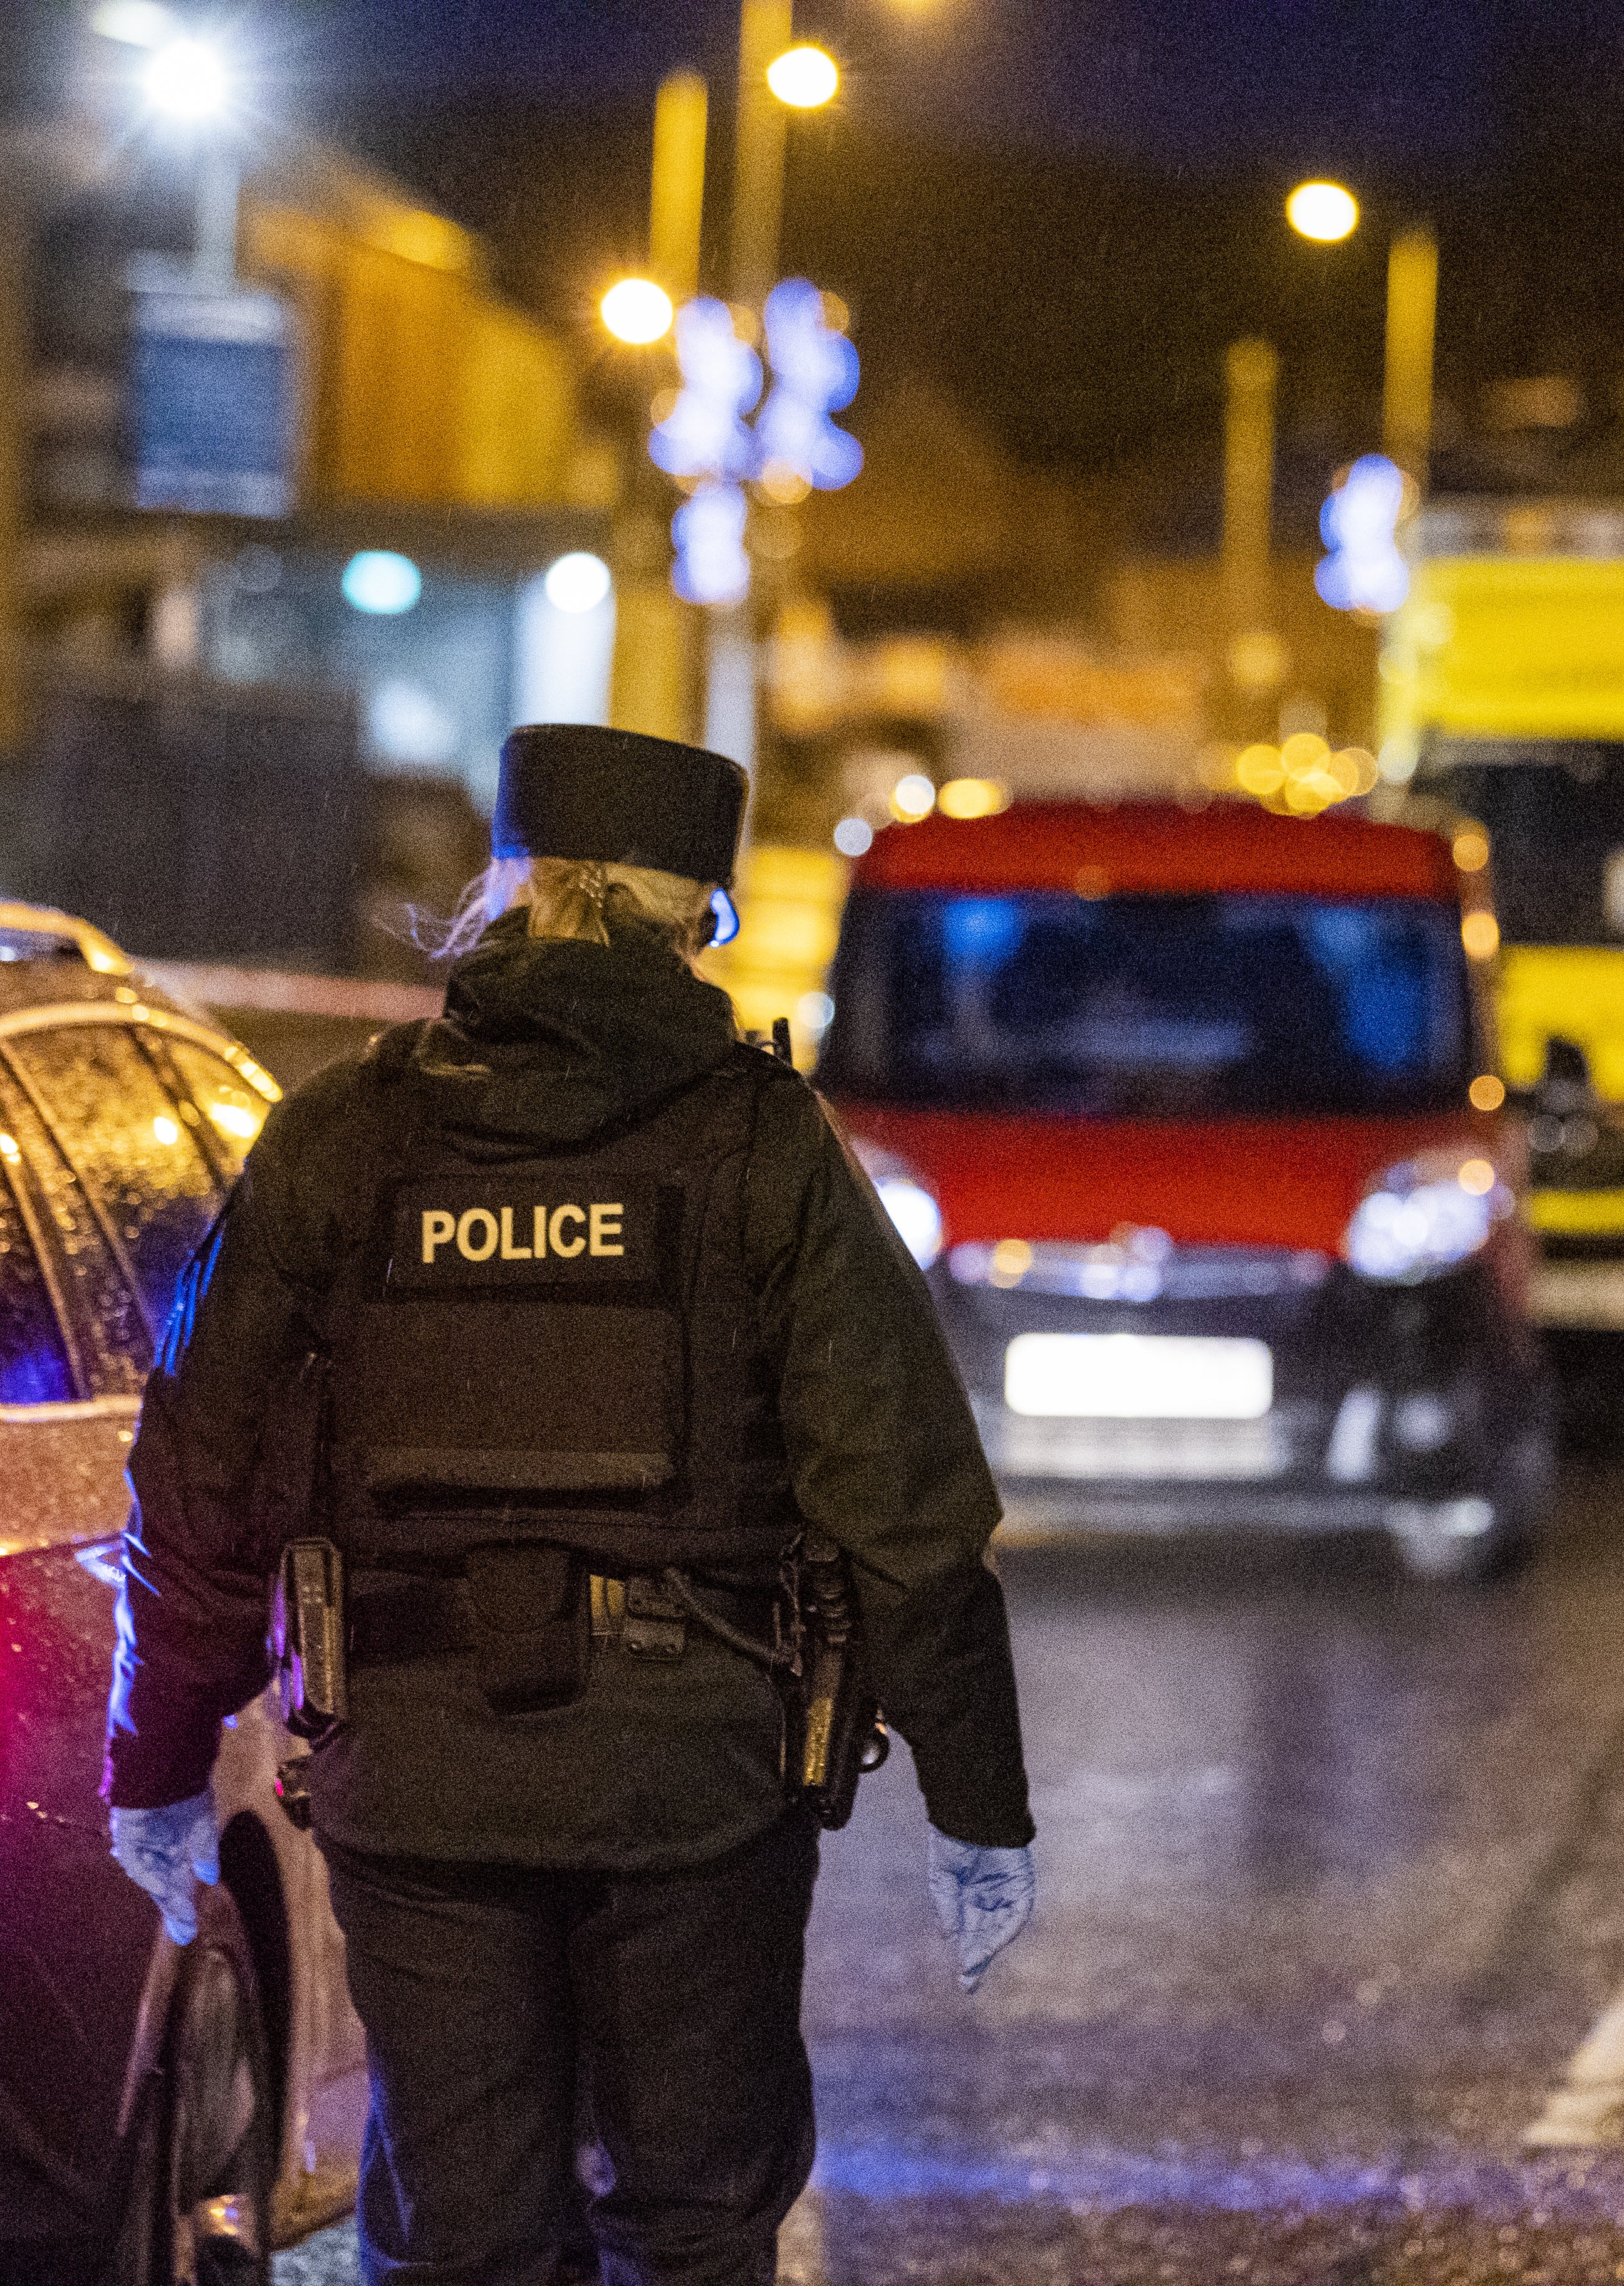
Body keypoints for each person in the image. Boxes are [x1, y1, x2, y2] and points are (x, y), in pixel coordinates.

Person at [103, 724, 1036, 2286]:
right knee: (690, 2218)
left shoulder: (348, 1133)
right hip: (697, 1786)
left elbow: (200, 1468)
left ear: (514, 900)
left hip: (420, 1767)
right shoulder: (760, 1146)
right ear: (693, 923)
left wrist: (159, 1753)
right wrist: (977, 1805)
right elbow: (906, 1506)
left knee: (465, 2232)